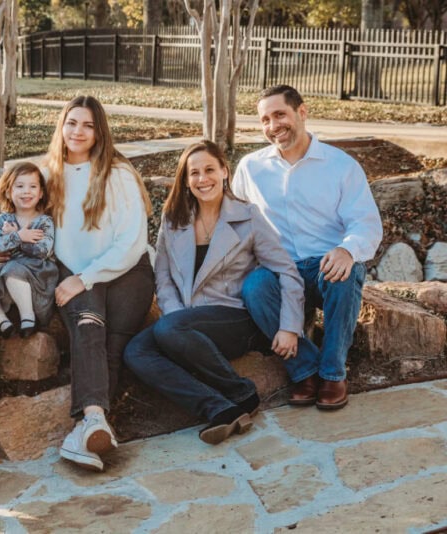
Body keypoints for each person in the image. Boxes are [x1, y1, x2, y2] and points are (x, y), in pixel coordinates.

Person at [124, 141, 305, 444]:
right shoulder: (173, 220)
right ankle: (219, 407)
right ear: (185, 180)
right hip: (183, 322)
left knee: (171, 328)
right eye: (193, 173)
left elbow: (287, 271)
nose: (202, 179)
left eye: (209, 169)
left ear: (224, 171)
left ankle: (241, 391)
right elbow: (164, 276)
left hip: (233, 319)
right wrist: (175, 317)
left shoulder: (248, 217)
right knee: (136, 351)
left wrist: (289, 326)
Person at [233, 84, 382, 410]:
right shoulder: (250, 168)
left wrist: (347, 249)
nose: (273, 126)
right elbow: (235, 223)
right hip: (281, 272)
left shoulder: (340, 165)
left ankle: (332, 374)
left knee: (345, 272)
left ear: (302, 112)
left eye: (280, 115)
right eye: (265, 120)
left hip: (324, 268)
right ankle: (305, 370)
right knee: (255, 286)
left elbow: (366, 223)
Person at [43, 95, 155, 472]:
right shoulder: (50, 175)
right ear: (62, 126)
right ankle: (94, 422)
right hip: (75, 273)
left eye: (88, 125)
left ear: (99, 132)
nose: (78, 131)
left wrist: (85, 278)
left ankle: (87, 429)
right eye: (72, 122)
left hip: (125, 273)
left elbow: (131, 242)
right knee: (89, 326)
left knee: (110, 345)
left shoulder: (117, 173)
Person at [0, 161, 58, 338]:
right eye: (19, 186)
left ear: (41, 192)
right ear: (8, 191)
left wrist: (17, 240)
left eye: (33, 186)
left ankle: (28, 319)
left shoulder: (45, 221)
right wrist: (19, 236)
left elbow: (43, 251)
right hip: (8, 268)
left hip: (38, 271)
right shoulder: (3, 219)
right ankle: (2, 321)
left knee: (12, 269)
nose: (26, 191)